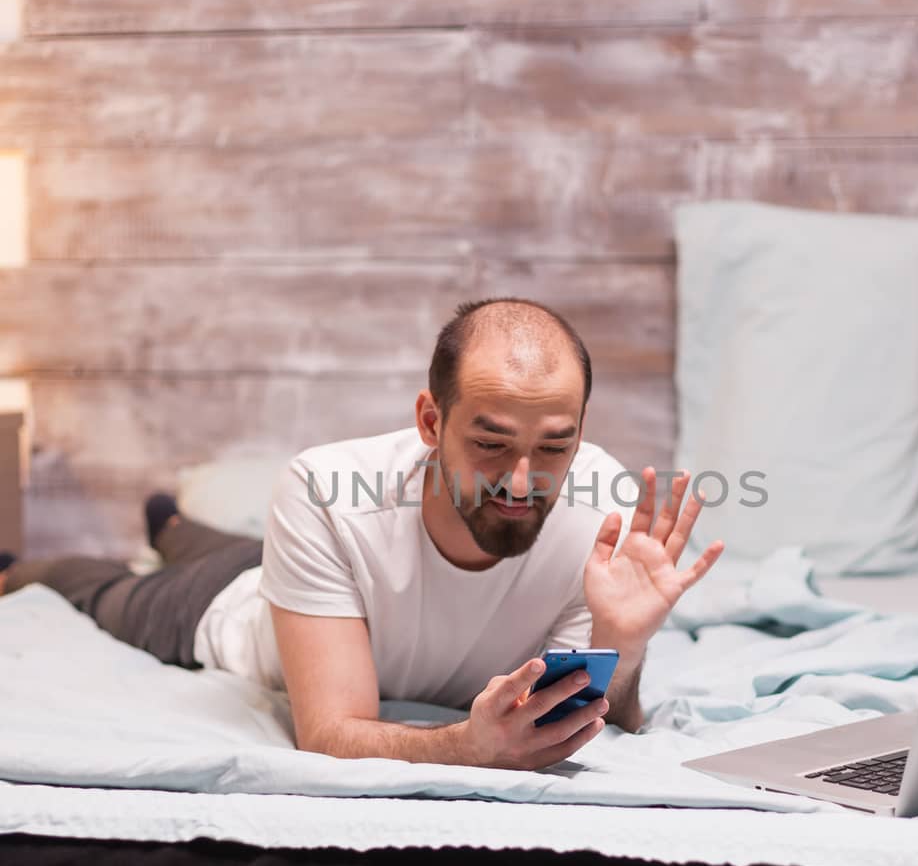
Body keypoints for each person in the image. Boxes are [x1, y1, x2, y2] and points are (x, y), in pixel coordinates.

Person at [1, 297, 723, 768]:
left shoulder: (601, 513)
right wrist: (466, 748)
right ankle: (52, 558)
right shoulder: (322, 490)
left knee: (209, 537)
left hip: (305, 571)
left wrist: (621, 644)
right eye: (492, 444)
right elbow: (329, 732)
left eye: (554, 446)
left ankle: (172, 521)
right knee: (97, 588)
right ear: (431, 423)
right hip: (224, 606)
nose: (522, 480)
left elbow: (601, 714)